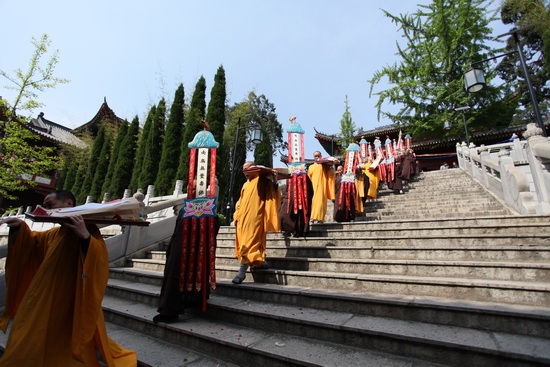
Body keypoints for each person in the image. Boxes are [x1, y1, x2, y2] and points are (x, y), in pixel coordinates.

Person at [0, 190, 136, 366]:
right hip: (44, 295)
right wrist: (19, 227)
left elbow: (99, 260)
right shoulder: (56, 232)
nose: (46, 209)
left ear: (69, 204)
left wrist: (85, 237)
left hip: (69, 297)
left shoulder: (87, 228)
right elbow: (34, 242)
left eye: (50, 205)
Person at [153, 180, 220, 323]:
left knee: (184, 271)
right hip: (180, 245)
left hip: (193, 247)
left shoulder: (206, 207)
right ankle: (172, 307)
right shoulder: (188, 206)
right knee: (176, 272)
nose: (192, 189)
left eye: (195, 187)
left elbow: (213, 228)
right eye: (191, 187)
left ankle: (173, 309)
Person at [232, 162, 280, 284]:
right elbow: (240, 202)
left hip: (255, 218)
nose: (245, 172)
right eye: (243, 169)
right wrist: (236, 216)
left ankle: (241, 273)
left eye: (247, 169)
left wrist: (274, 181)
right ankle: (259, 261)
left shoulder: (263, 180)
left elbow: (272, 194)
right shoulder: (245, 184)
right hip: (242, 218)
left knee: (248, 243)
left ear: (254, 169)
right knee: (245, 242)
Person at [307, 151, 337, 224]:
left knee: (320, 203)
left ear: (321, 156)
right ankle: (312, 218)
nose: (317, 157)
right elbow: (308, 178)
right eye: (315, 156)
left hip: (322, 187)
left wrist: (331, 166)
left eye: (318, 156)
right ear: (313, 157)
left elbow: (331, 175)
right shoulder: (311, 167)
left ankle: (320, 218)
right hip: (313, 188)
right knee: (313, 203)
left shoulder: (324, 166)